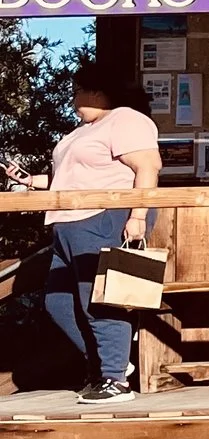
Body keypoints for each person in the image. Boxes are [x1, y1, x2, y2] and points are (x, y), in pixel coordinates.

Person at [9, 64, 162, 401]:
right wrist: (30, 181)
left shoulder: (126, 118)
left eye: (78, 91)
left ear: (98, 92)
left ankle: (114, 377)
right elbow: (73, 178)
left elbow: (148, 166)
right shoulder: (82, 131)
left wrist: (138, 214)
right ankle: (109, 364)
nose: (74, 98)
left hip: (103, 217)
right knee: (59, 303)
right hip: (68, 221)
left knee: (100, 298)